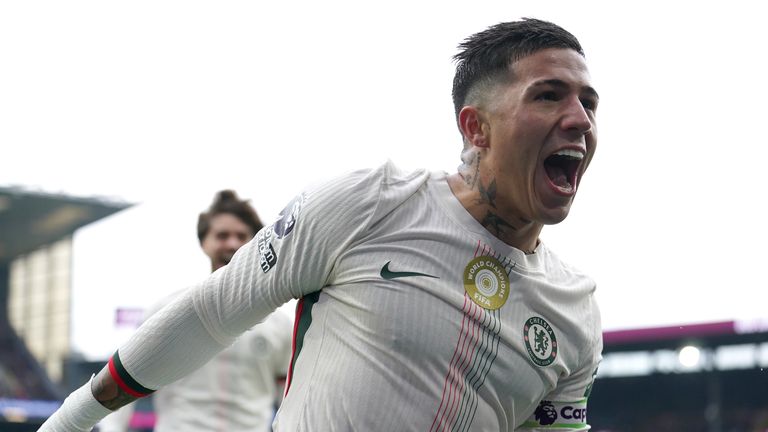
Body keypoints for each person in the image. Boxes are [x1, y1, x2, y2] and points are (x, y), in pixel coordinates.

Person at [40, 17, 603, 431]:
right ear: (475, 127)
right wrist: (70, 422)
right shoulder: (368, 204)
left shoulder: (575, 312)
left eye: (589, 102)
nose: (579, 119)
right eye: (548, 96)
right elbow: (209, 313)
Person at [97, 190, 292, 432]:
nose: (232, 243)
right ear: (204, 243)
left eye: (241, 236)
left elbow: (289, 398)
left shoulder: (281, 325)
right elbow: (126, 382)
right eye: (222, 235)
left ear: (255, 245)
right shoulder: (167, 311)